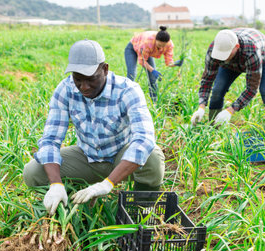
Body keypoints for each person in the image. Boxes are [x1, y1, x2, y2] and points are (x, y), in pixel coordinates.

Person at [23, 39, 165, 215]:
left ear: (105, 69)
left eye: (91, 79)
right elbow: (50, 140)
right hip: (87, 156)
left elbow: (144, 139)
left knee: (152, 157)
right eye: (78, 79)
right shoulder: (65, 90)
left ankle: (140, 210)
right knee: (33, 172)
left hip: (122, 157)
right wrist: (56, 184)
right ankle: (67, 204)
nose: (84, 87)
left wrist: (107, 184)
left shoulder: (127, 90)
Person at [191, 28, 265, 133]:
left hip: (264, 56)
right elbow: (207, 79)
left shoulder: (251, 51)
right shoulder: (215, 50)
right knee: (217, 89)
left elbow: (251, 89)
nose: (222, 58)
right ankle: (214, 129)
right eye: (220, 55)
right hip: (231, 63)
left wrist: (230, 110)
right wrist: (201, 107)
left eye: (226, 55)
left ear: (236, 47)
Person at [124, 26, 183, 102]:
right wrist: (153, 70)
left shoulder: (169, 45)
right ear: (156, 40)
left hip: (147, 53)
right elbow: (142, 61)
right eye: (159, 45)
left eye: (163, 46)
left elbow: (168, 62)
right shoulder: (147, 42)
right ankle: (126, 99)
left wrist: (176, 63)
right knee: (132, 74)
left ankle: (154, 102)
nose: (161, 48)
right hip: (132, 48)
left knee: (152, 78)